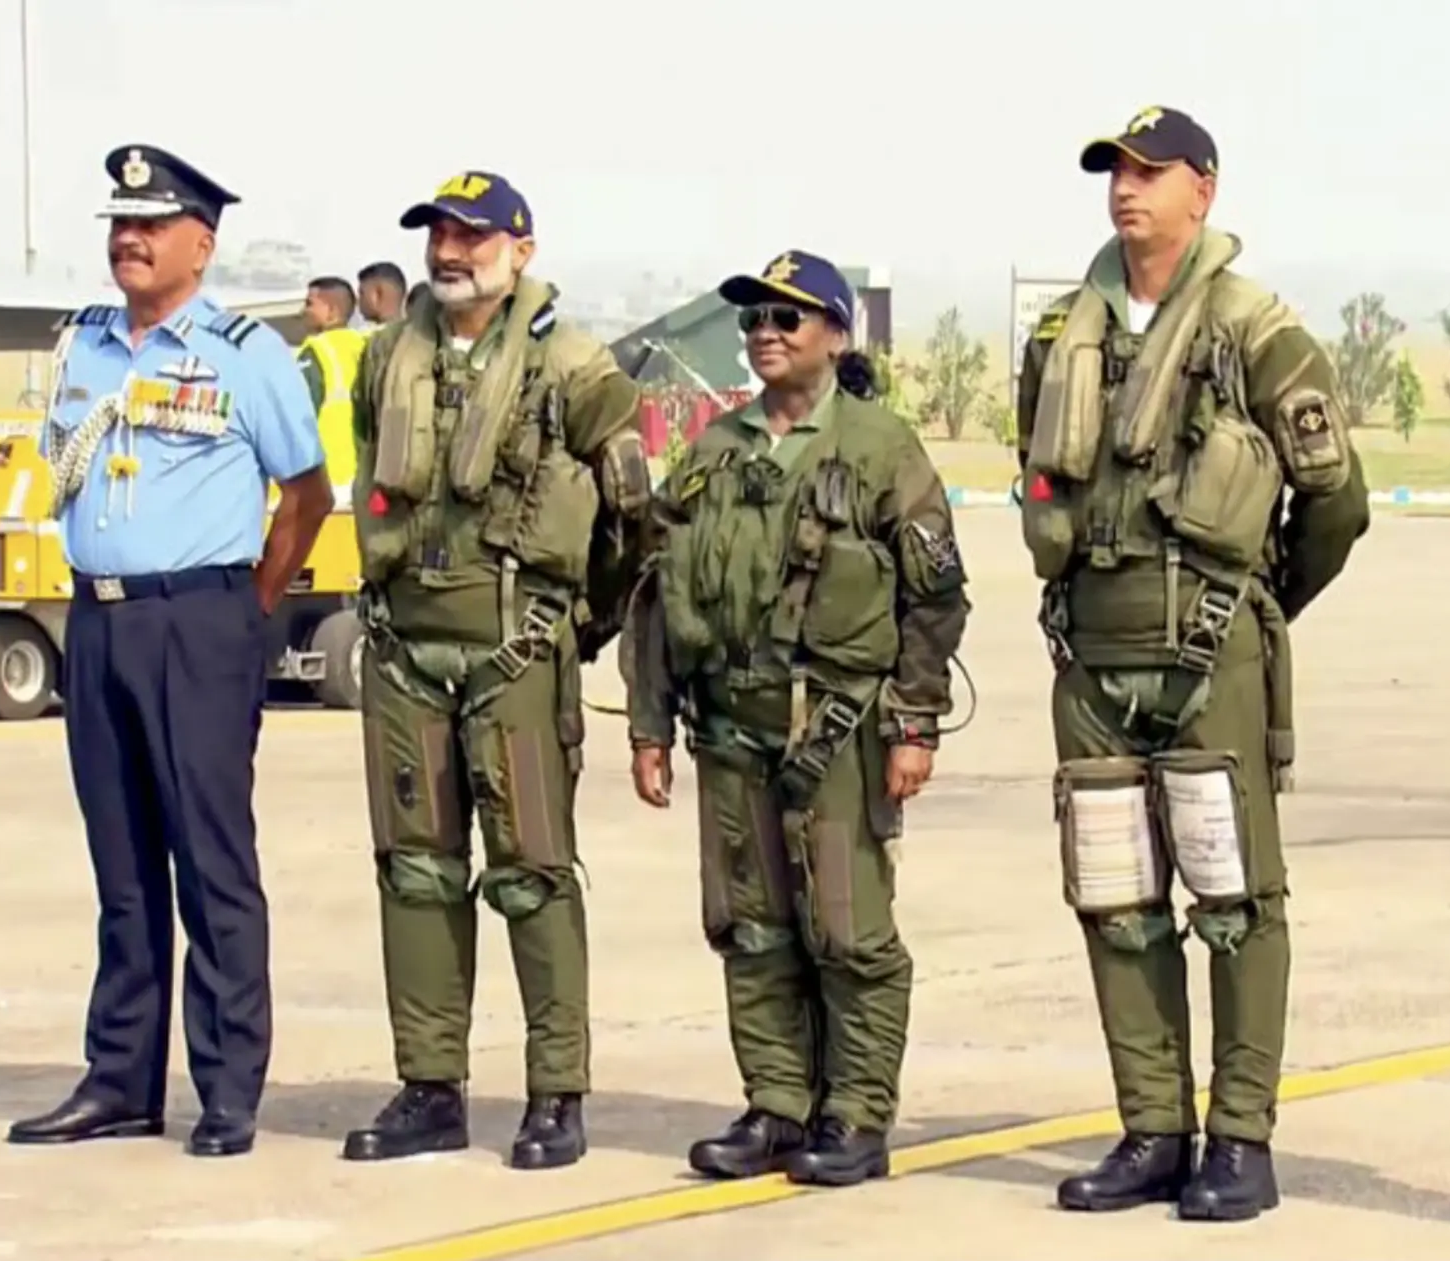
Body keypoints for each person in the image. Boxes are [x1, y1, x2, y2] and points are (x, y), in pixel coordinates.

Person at [1014, 106, 1369, 1222]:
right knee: (1116, 897)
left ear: (1203, 192)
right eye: (1116, 173)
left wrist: (1257, 612)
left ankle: (1242, 1137)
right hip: (1094, 655)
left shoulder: (1255, 330)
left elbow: (1336, 503)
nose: (1128, 190)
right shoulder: (1061, 333)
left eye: (1152, 173)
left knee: (1232, 898)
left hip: (1213, 652)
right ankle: (1152, 1128)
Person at [6, 144, 333, 1158]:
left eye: (150, 225)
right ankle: (120, 1079)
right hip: (98, 621)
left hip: (200, 622)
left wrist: (247, 610)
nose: (129, 241)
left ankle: (228, 1088)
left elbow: (307, 493)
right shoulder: (87, 344)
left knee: (212, 865)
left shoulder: (246, 352)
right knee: (123, 867)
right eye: (118, 224)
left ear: (203, 240)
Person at [620, 249, 971, 1187]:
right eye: (755, 320)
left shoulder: (880, 447)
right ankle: (778, 1103)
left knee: (849, 932)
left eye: (790, 318)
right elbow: (659, 594)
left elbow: (935, 597)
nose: (766, 334)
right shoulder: (713, 449)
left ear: (837, 335)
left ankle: (854, 1114)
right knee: (750, 926)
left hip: (840, 727)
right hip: (730, 728)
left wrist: (915, 721)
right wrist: (649, 725)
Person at [339, 170, 653, 1171]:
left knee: (532, 873)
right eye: (438, 231)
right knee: (416, 872)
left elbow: (634, 516)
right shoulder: (390, 353)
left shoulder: (571, 362)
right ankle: (429, 1085)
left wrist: (576, 624)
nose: (450, 249)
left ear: (521, 247)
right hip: (402, 651)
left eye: (473, 234)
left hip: (516, 652)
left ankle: (556, 1091)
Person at [296, 276, 367, 492]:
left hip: (326, 476)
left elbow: (298, 416)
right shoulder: (366, 345)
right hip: (362, 476)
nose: (303, 311)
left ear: (332, 311)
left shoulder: (316, 350)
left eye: (310, 304)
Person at [358, 260, 408, 327]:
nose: (359, 300)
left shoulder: (366, 336)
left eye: (362, 293)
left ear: (378, 294)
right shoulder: (418, 333)